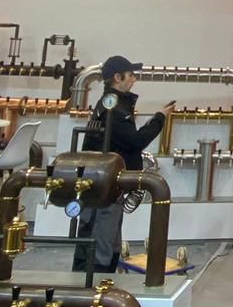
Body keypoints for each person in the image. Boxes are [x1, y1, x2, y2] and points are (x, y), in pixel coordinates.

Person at [74, 54, 173, 273]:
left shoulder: (115, 106)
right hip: (102, 188)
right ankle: (91, 286)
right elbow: (135, 141)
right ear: (117, 78)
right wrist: (159, 118)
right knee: (100, 243)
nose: (134, 79)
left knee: (109, 243)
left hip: (109, 187)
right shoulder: (113, 109)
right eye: (130, 75)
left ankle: (103, 282)